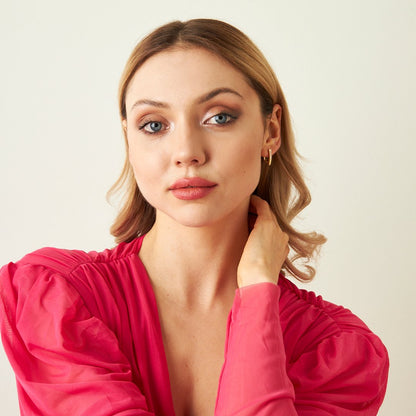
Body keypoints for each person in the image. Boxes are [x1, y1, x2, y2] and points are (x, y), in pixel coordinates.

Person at [0, 18, 388, 416]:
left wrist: (257, 290)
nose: (186, 151)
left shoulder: (338, 353)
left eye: (219, 117)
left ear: (271, 130)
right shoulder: (58, 300)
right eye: (154, 125)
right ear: (129, 140)